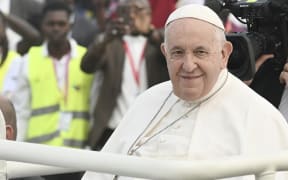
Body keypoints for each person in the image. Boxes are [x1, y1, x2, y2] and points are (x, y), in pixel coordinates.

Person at [82, 4, 288, 180]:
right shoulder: (147, 100)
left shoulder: (259, 116)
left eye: (200, 52)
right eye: (178, 52)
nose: (188, 66)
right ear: (165, 53)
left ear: (224, 54)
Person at [12, 2, 93, 180]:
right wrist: (17, 153)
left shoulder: (85, 58)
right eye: (51, 24)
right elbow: (21, 110)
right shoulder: (29, 60)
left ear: (70, 26)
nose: (56, 28)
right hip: (38, 155)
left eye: (61, 24)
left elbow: (92, 104)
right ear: (42, 26)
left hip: (78, 156)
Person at [81, 0, 169, 150]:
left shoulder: (158, 42)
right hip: (113, 126)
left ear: (149, 14)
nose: (133, 15)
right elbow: (87, 66)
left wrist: (149, 32)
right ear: (120, 14)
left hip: (148, 127)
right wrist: (105, 39)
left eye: (139, 10)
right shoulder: (111, 42)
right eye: (128, 11)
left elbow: (171, 52)